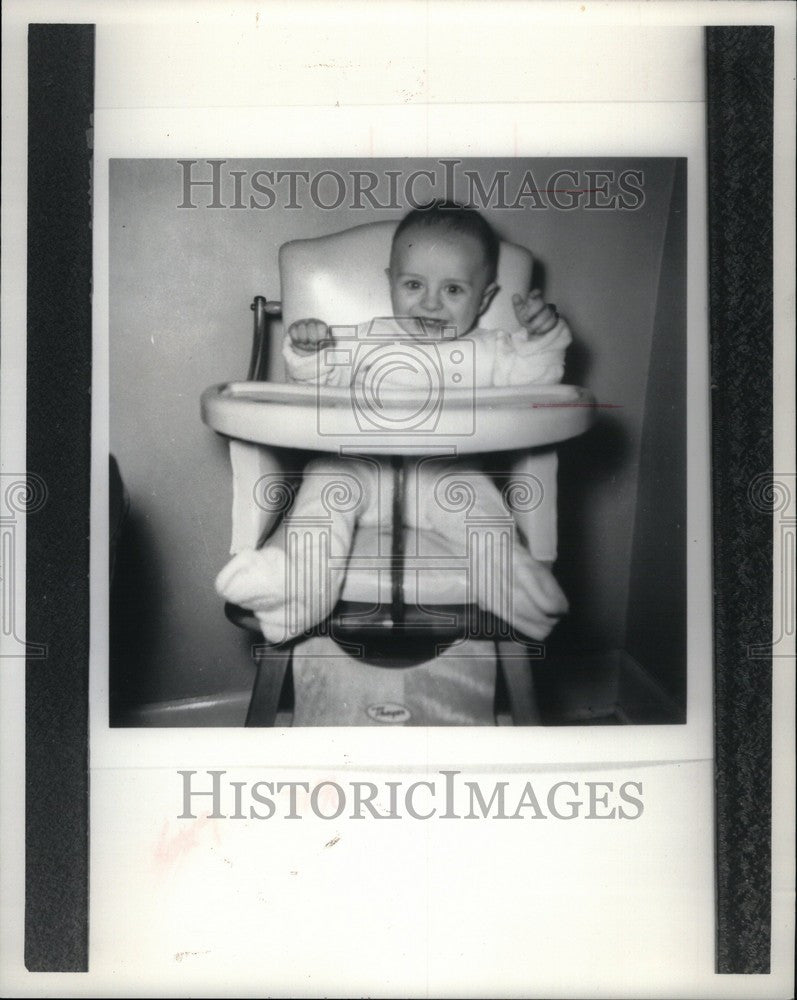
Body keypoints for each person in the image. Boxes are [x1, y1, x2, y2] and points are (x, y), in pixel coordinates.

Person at [216, 202, 572, 644]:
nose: (430, 302)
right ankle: (294, 588)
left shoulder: (494, 350)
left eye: (454, 290)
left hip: (448, 475)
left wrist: (541, 340)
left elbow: (537, 385)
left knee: (485, 519)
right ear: (390, 283)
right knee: (322, 492)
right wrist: (310, 350)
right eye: (414, 284)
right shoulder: (364, 338)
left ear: (484, 298)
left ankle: (522, 592)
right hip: (358, 470)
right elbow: (317, 381)